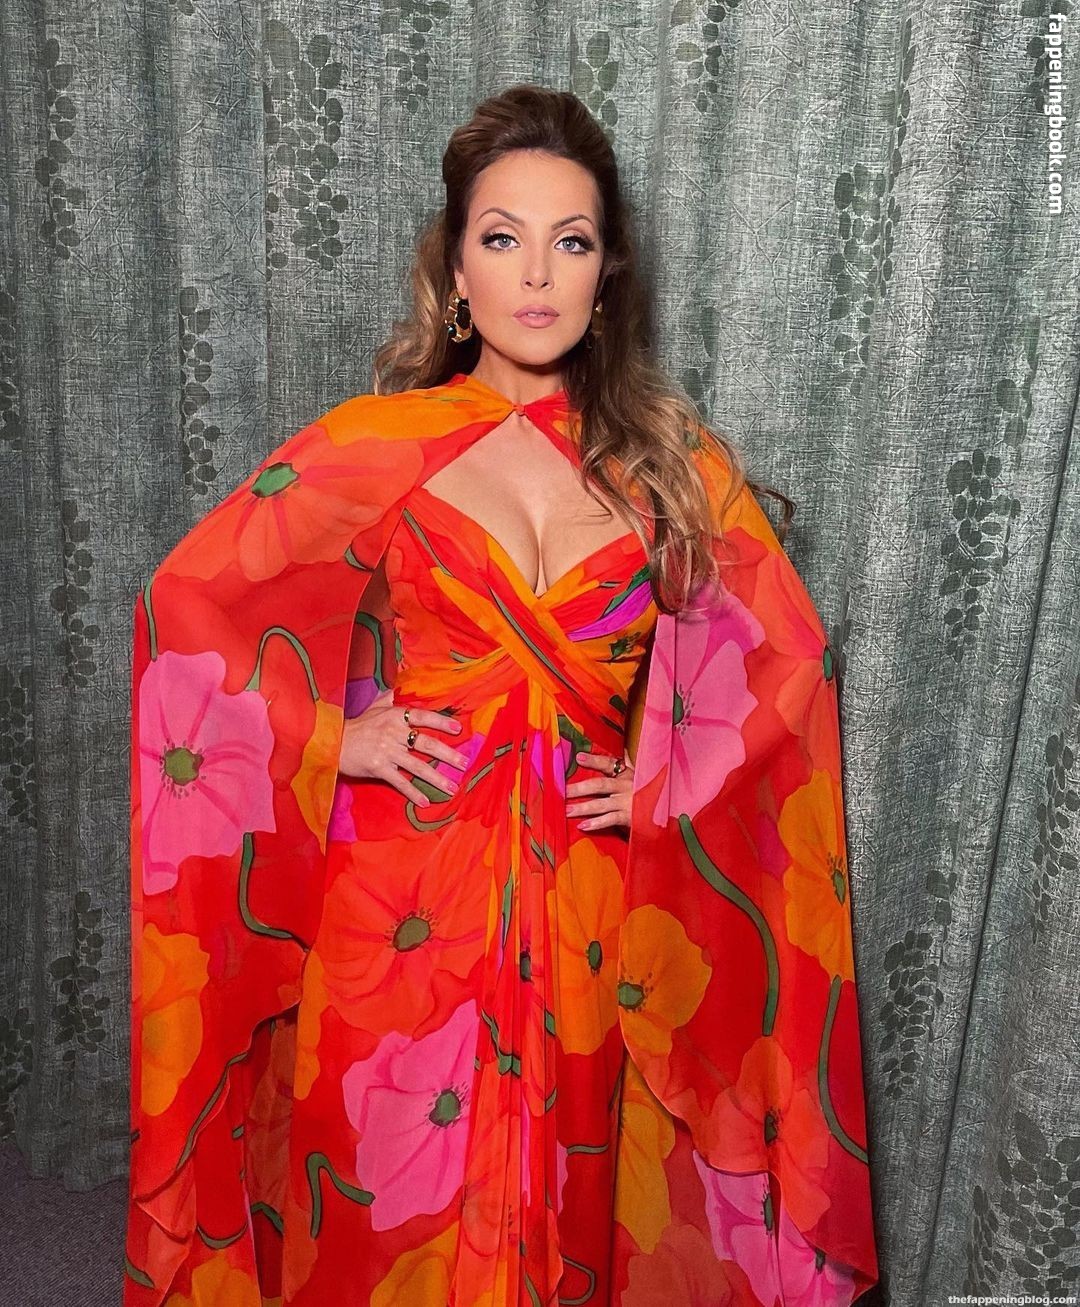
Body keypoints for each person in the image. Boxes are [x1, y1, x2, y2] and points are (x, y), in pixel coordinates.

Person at [124, 84, 879, 1306]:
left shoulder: (671, 466)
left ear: (605, 276)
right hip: (406, 897)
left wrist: (671, 774)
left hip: (589, 895)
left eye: (569, 241)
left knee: (571, 1193)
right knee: (392, 1197)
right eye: (501, 236)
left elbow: (788, 666)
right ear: (457, 272)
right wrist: (332, 736)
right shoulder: (377, 443)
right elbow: (185, 619)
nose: (536, 272)